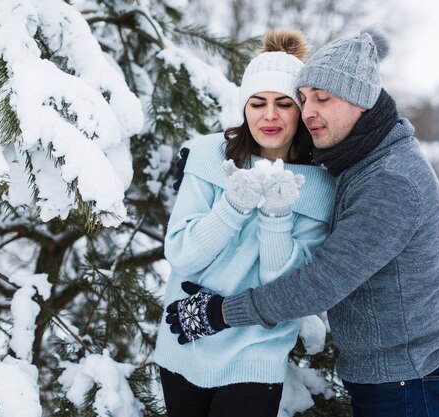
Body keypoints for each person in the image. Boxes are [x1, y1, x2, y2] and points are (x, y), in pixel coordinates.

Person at [166, 30, 439, 417]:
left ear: (362, 100)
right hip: (393, 375)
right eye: (304, 98)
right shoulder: (362, 157)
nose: (308, 112)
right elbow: (290, 147)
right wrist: (203, 164)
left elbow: (322, 283)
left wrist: (221, 313)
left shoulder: (390, 180)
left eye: (322, 98)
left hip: (409, 382)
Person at [153, 29, 336, 417]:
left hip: (256, 352)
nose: (269, 116)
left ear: (300, 111)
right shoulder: (207, 156)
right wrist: (231, 207)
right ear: (244, 107)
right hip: (184, 340)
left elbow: (283, 289)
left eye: (283, 103)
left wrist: (276, 216)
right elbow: (182, 255)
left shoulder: (317, 187)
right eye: (258, 103)